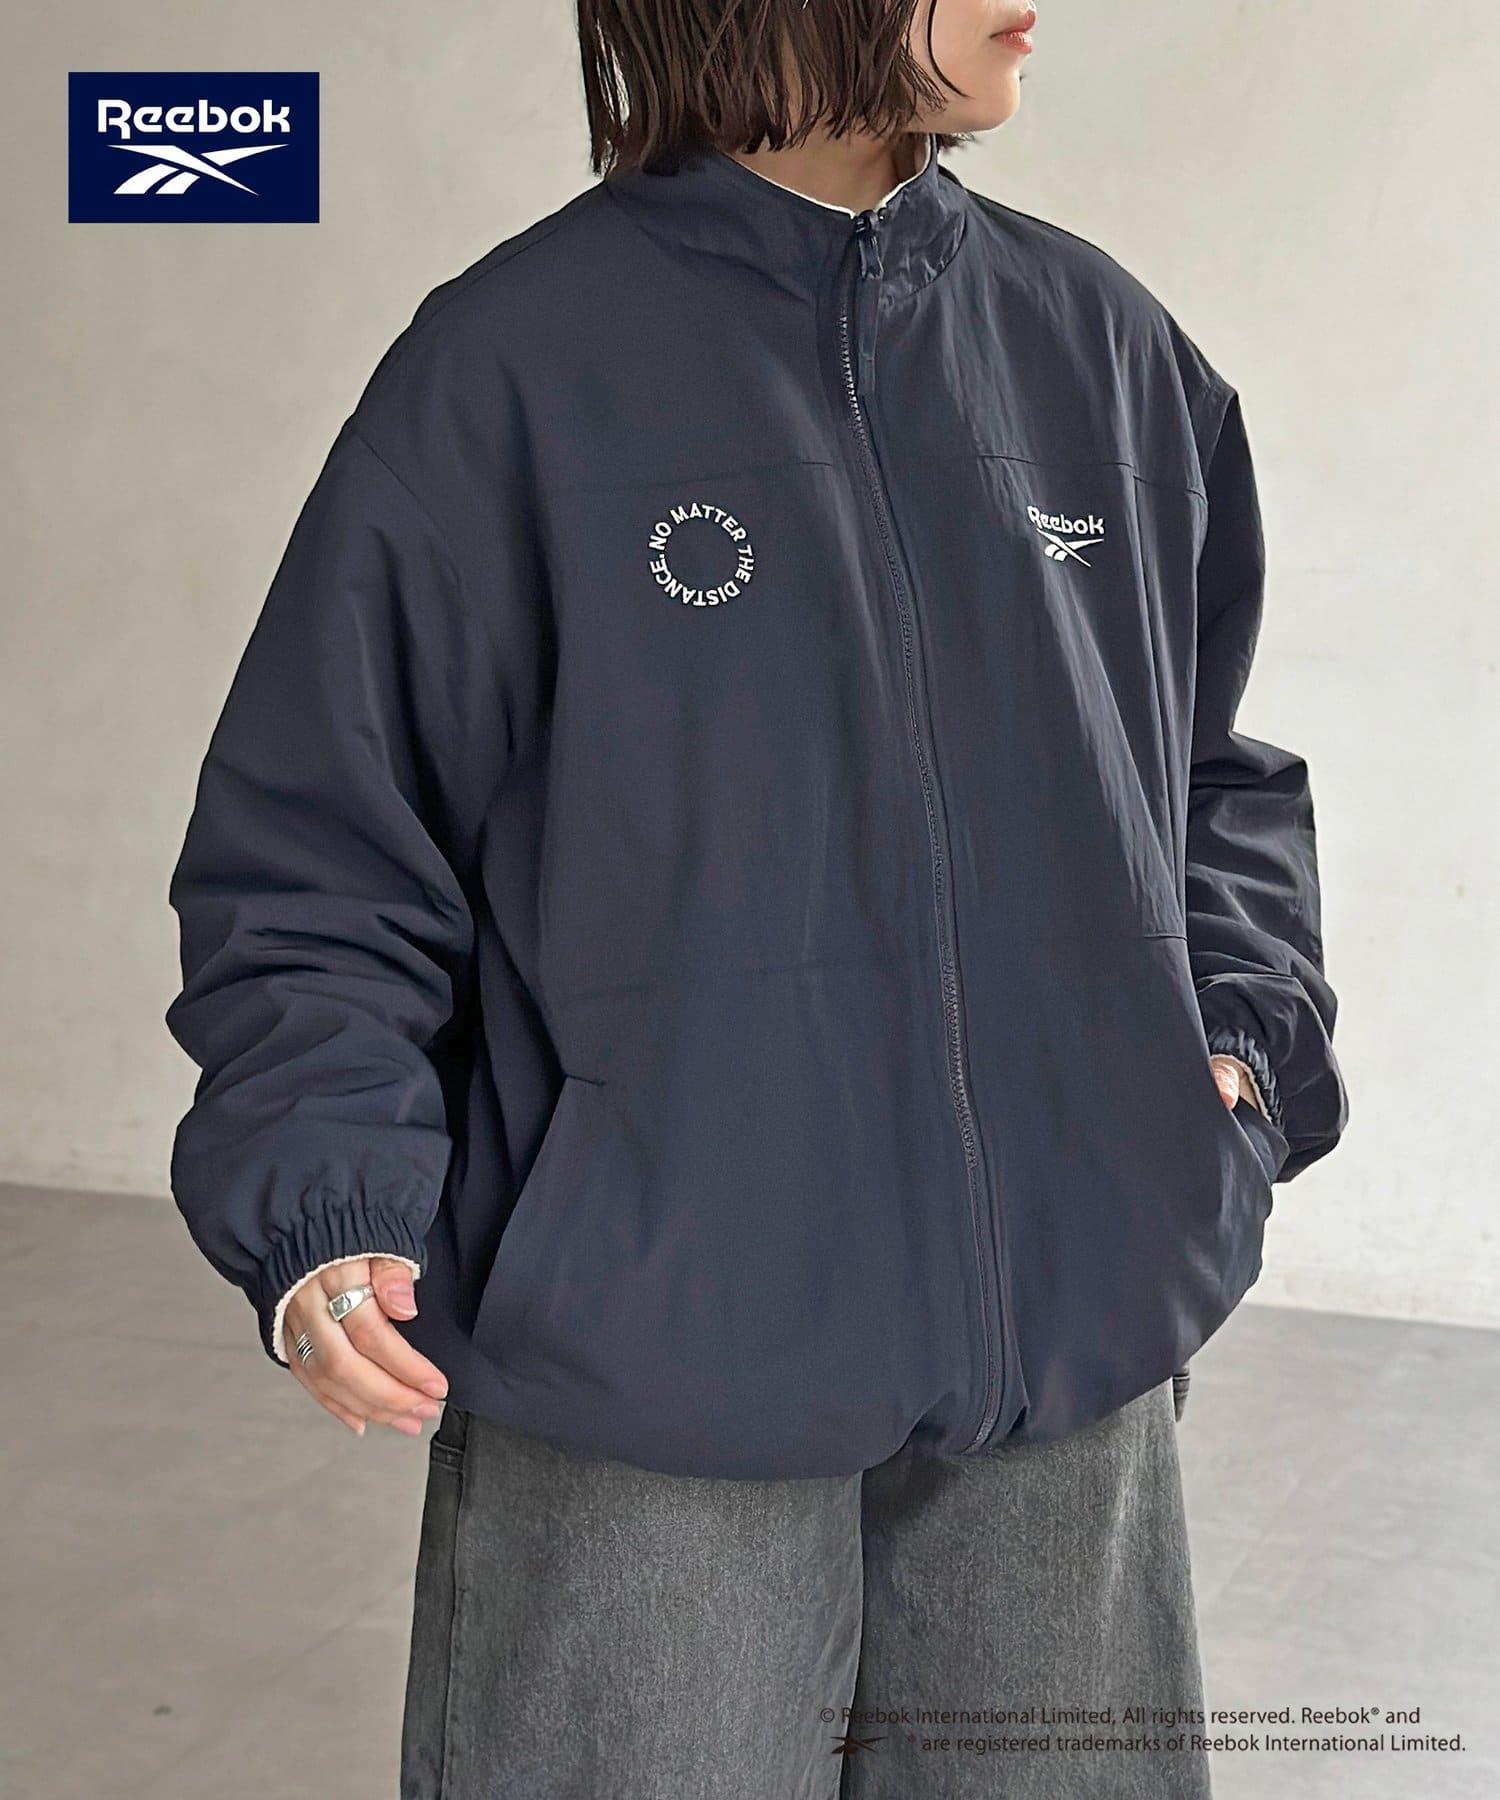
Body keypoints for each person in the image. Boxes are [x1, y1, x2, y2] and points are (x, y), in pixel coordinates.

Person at [165, 0, 1349, 1793]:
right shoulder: (511, 368)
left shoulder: (1103, 349)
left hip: (1069, 1370)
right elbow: (326, 843)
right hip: (654, 1370)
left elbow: (1206, 773)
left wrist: (1235, 1063)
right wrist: (324, 1194)